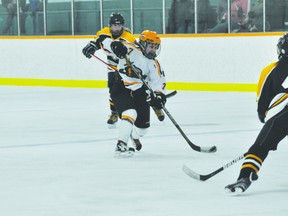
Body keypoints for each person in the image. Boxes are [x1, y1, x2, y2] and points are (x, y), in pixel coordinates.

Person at [225, 33, 288, 195]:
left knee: (260, 147)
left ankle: (244, 177)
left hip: (282, 116)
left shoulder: (272, 69)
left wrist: (264, 116)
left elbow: (262, 102)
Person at [109, 30, 166, 157]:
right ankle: (121, 145)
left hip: (140, 92)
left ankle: (132, 134)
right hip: (121, 87)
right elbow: (113, 43)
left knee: (143, 130)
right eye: (151, 46)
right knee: (130, 113)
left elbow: (158, 84)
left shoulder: (154, 64)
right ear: (144, 44)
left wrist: (159, 97)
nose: (154, 50)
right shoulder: (130, 49)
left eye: (156, 47)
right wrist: (116, 46)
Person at [82, 12, 136, 128]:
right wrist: (91, 47)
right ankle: (114, 113)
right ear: (110, 26)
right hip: (112, 63)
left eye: (119, 25)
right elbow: (95, 42)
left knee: (129, 89)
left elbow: (133, 54)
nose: (117, 28)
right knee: (112, 88)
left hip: (127, 65)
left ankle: (133, 110)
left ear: (123, 26)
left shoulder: (129, 37)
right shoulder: (104, 32)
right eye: (114, 25)